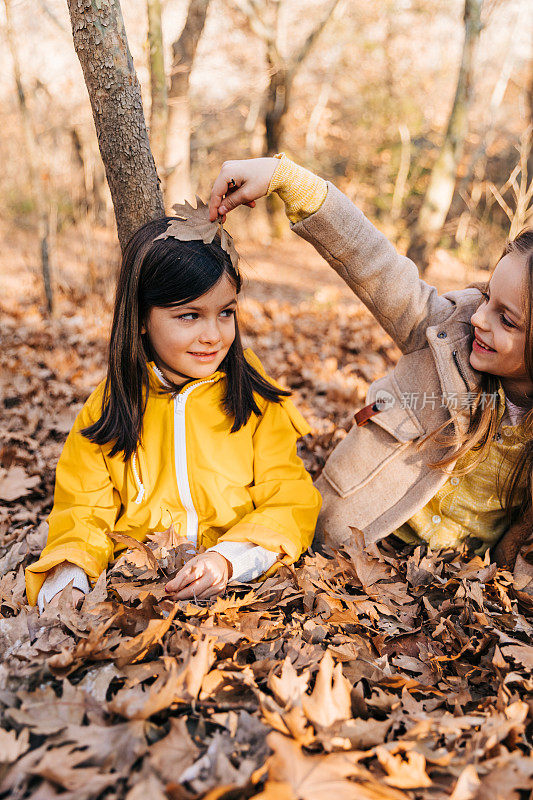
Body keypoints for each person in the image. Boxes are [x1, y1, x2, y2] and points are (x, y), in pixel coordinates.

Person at [208, 154, 533, 567]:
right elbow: (375, 263)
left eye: (506, 319)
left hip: (451, 580)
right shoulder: (446, 329)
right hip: (353, 548)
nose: (479, 318)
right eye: (487, 297)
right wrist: (288, 180)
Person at [25, 207, 321, 611]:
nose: (213, 336)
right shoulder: (108, 408)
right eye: (189, 315)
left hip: (236, 594)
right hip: (137, 596)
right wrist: (69, 578)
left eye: (226, 313)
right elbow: (81, 510)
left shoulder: (255, 399)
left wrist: (230, 559)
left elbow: (291, 496)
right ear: (142, 318)